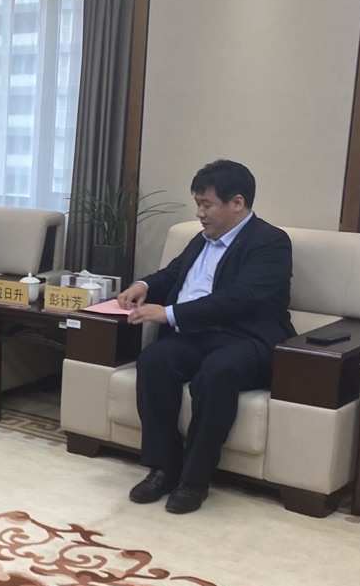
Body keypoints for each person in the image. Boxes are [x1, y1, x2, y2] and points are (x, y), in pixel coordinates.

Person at [117, 159, 294, 514]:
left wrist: (170, 314)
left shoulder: (270, 242)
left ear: (237, 202)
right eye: (197, 203)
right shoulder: (202, 239)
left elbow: (241, 298)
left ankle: (194, 479)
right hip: (196, 334)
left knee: (217, 372)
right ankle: (164, 467)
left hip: (246, 338)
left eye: (206, 204)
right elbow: (174, 274)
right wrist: (144, 285)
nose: (199, 213)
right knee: (154, 360)